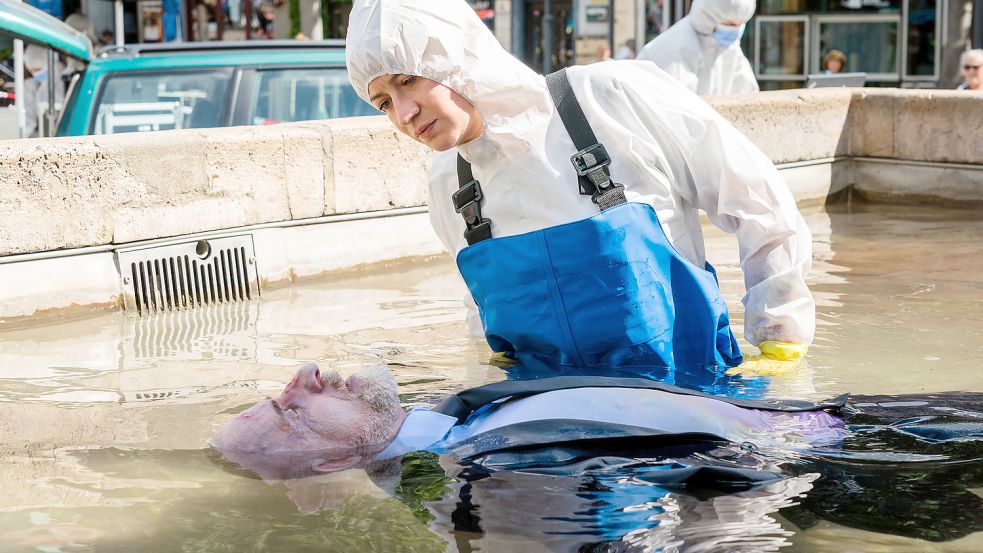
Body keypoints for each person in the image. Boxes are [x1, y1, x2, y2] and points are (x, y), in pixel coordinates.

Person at [346, 0, 813, 385]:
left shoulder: (609, 97)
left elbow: (758, 201)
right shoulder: (449, 183)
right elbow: (482, 314)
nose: (403, 113)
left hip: (692, 404)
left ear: (455, 56)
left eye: (407, 79)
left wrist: (779, 340)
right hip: (557, 435)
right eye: (384, 101)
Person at [210, 363, 846, 479]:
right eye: (292, 408)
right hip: (842, 449)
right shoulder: (484, 479)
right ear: (334, 459)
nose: (308, 372)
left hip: (829, 416)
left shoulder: (459, 417)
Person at [635, 0, 758, 96]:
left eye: (740, 24)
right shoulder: (674, 49)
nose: (734, 31)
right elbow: (678, 113)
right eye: (729, 24)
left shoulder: (728, 47)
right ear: (708, 19)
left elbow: (747, 91)